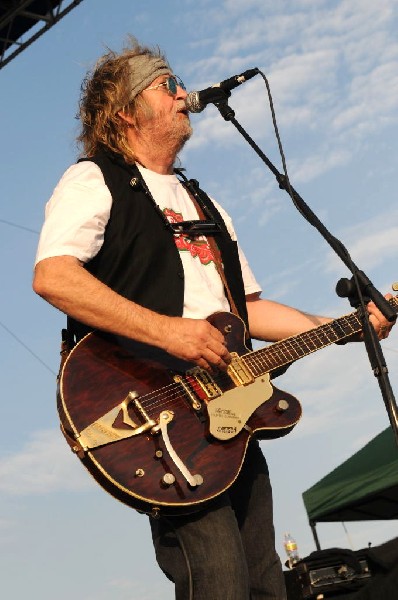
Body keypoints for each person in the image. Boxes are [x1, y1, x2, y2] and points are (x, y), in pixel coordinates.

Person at [33, 38, 394, 600]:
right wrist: (168, 330)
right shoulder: (94, 179)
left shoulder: (203, 202)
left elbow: (245, 311)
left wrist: (351, 325)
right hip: (155, 417)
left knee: (265, 581)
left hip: (232, 414)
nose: (183, 94)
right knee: (218, 579)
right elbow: (54, 276)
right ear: (126, 110)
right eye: (166, 84)